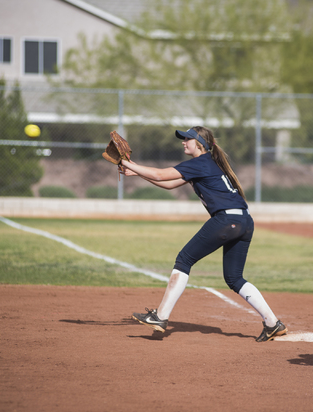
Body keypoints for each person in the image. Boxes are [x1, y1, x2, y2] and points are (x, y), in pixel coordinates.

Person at [119, 126, 287, 342]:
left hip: (226, 220)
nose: (183, 142)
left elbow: (161, 174)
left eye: (187, 139)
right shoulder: (209, 164)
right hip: (244, 221)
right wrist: (136, 172)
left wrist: (126, 162)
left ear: (199, 142)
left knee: (184, 259)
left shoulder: (200, 163)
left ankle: (160, 317)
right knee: (234, 278)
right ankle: (273, 323)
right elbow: (168, 184)